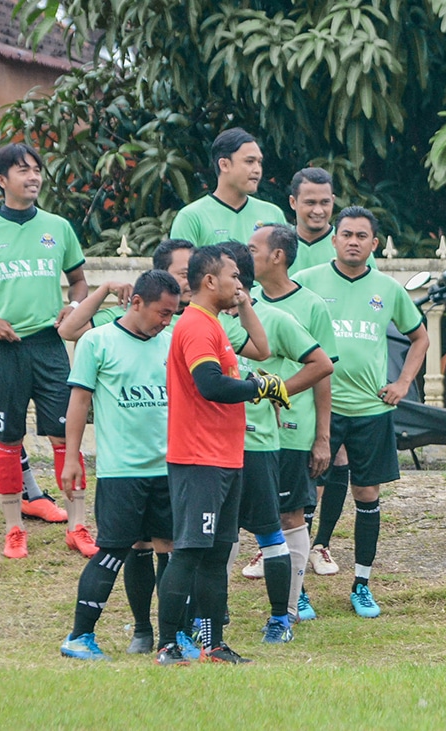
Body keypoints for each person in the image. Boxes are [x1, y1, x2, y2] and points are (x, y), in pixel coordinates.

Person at [0, 143, 94, 558]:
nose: (33, 177)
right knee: (7, 441)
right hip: (3, 350)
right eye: (22, 171)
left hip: (49, 347)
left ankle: (78, 525)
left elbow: (79, 280)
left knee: (65, 436)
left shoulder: (58, 227)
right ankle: (14, 530)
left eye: (36, 170)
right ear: (1, 180)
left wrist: (72, 304)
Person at [57, 237, 190, 654]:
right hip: (121, 471)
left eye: (173, 313)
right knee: (119, 549)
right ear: (135, 302)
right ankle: (85, 636)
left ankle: (171, 636)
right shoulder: (98, 342)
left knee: (169, 550)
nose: (167, 321)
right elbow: (79, 400)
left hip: (170, 467)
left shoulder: (174, 342)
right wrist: (73, 458)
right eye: (161, 312)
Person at [294, 206, 429, 618]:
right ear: (334, 240)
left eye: (361, 236)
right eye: (346, 234)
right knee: (304, 499)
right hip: (322, 409)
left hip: (372, 410)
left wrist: (403, 383)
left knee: (367, 496)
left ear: (374, 244)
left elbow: (420, 337)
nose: (353, 241)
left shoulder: (388, 289)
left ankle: (362, 585)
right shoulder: (307, 283)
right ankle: (297, 589)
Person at [153, 245, 283, 666]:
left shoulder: (214, 326)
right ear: (210, 281)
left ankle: (213, 644)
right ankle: (168, 644)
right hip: (199, 459)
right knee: (190, 552)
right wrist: (257, 387)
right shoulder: (195, 325)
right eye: (234, 277)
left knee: (216, 554)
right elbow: (209, 384)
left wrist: (251, 381)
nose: (240, 284)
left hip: (225, 457)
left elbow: (225, 380)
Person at [231, 225, 334, 642]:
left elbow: (323, 368)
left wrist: (322, 435)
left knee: (289, 517)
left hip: (288, 436)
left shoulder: (298, 310)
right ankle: (211, 613)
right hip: (230, 439)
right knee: (224, 524)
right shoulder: (210, 318)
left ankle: (288, 609)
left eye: (252, 248)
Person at [284, 166, 371, 577]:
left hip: (339, 386)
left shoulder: (344, 248)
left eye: (325, 202)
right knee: (297, 465)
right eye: (310, 202)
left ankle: (320, 544)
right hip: (294, 379)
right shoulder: (283, 250)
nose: (318, 210)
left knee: (337, 459)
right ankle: (279, 541)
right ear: (294, 204)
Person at [169, 128, 285, 247]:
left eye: (259, 162)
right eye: (249, 161)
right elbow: (180, 264)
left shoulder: (273, 214)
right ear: (224, 165)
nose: (257, 170)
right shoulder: (191, 218)